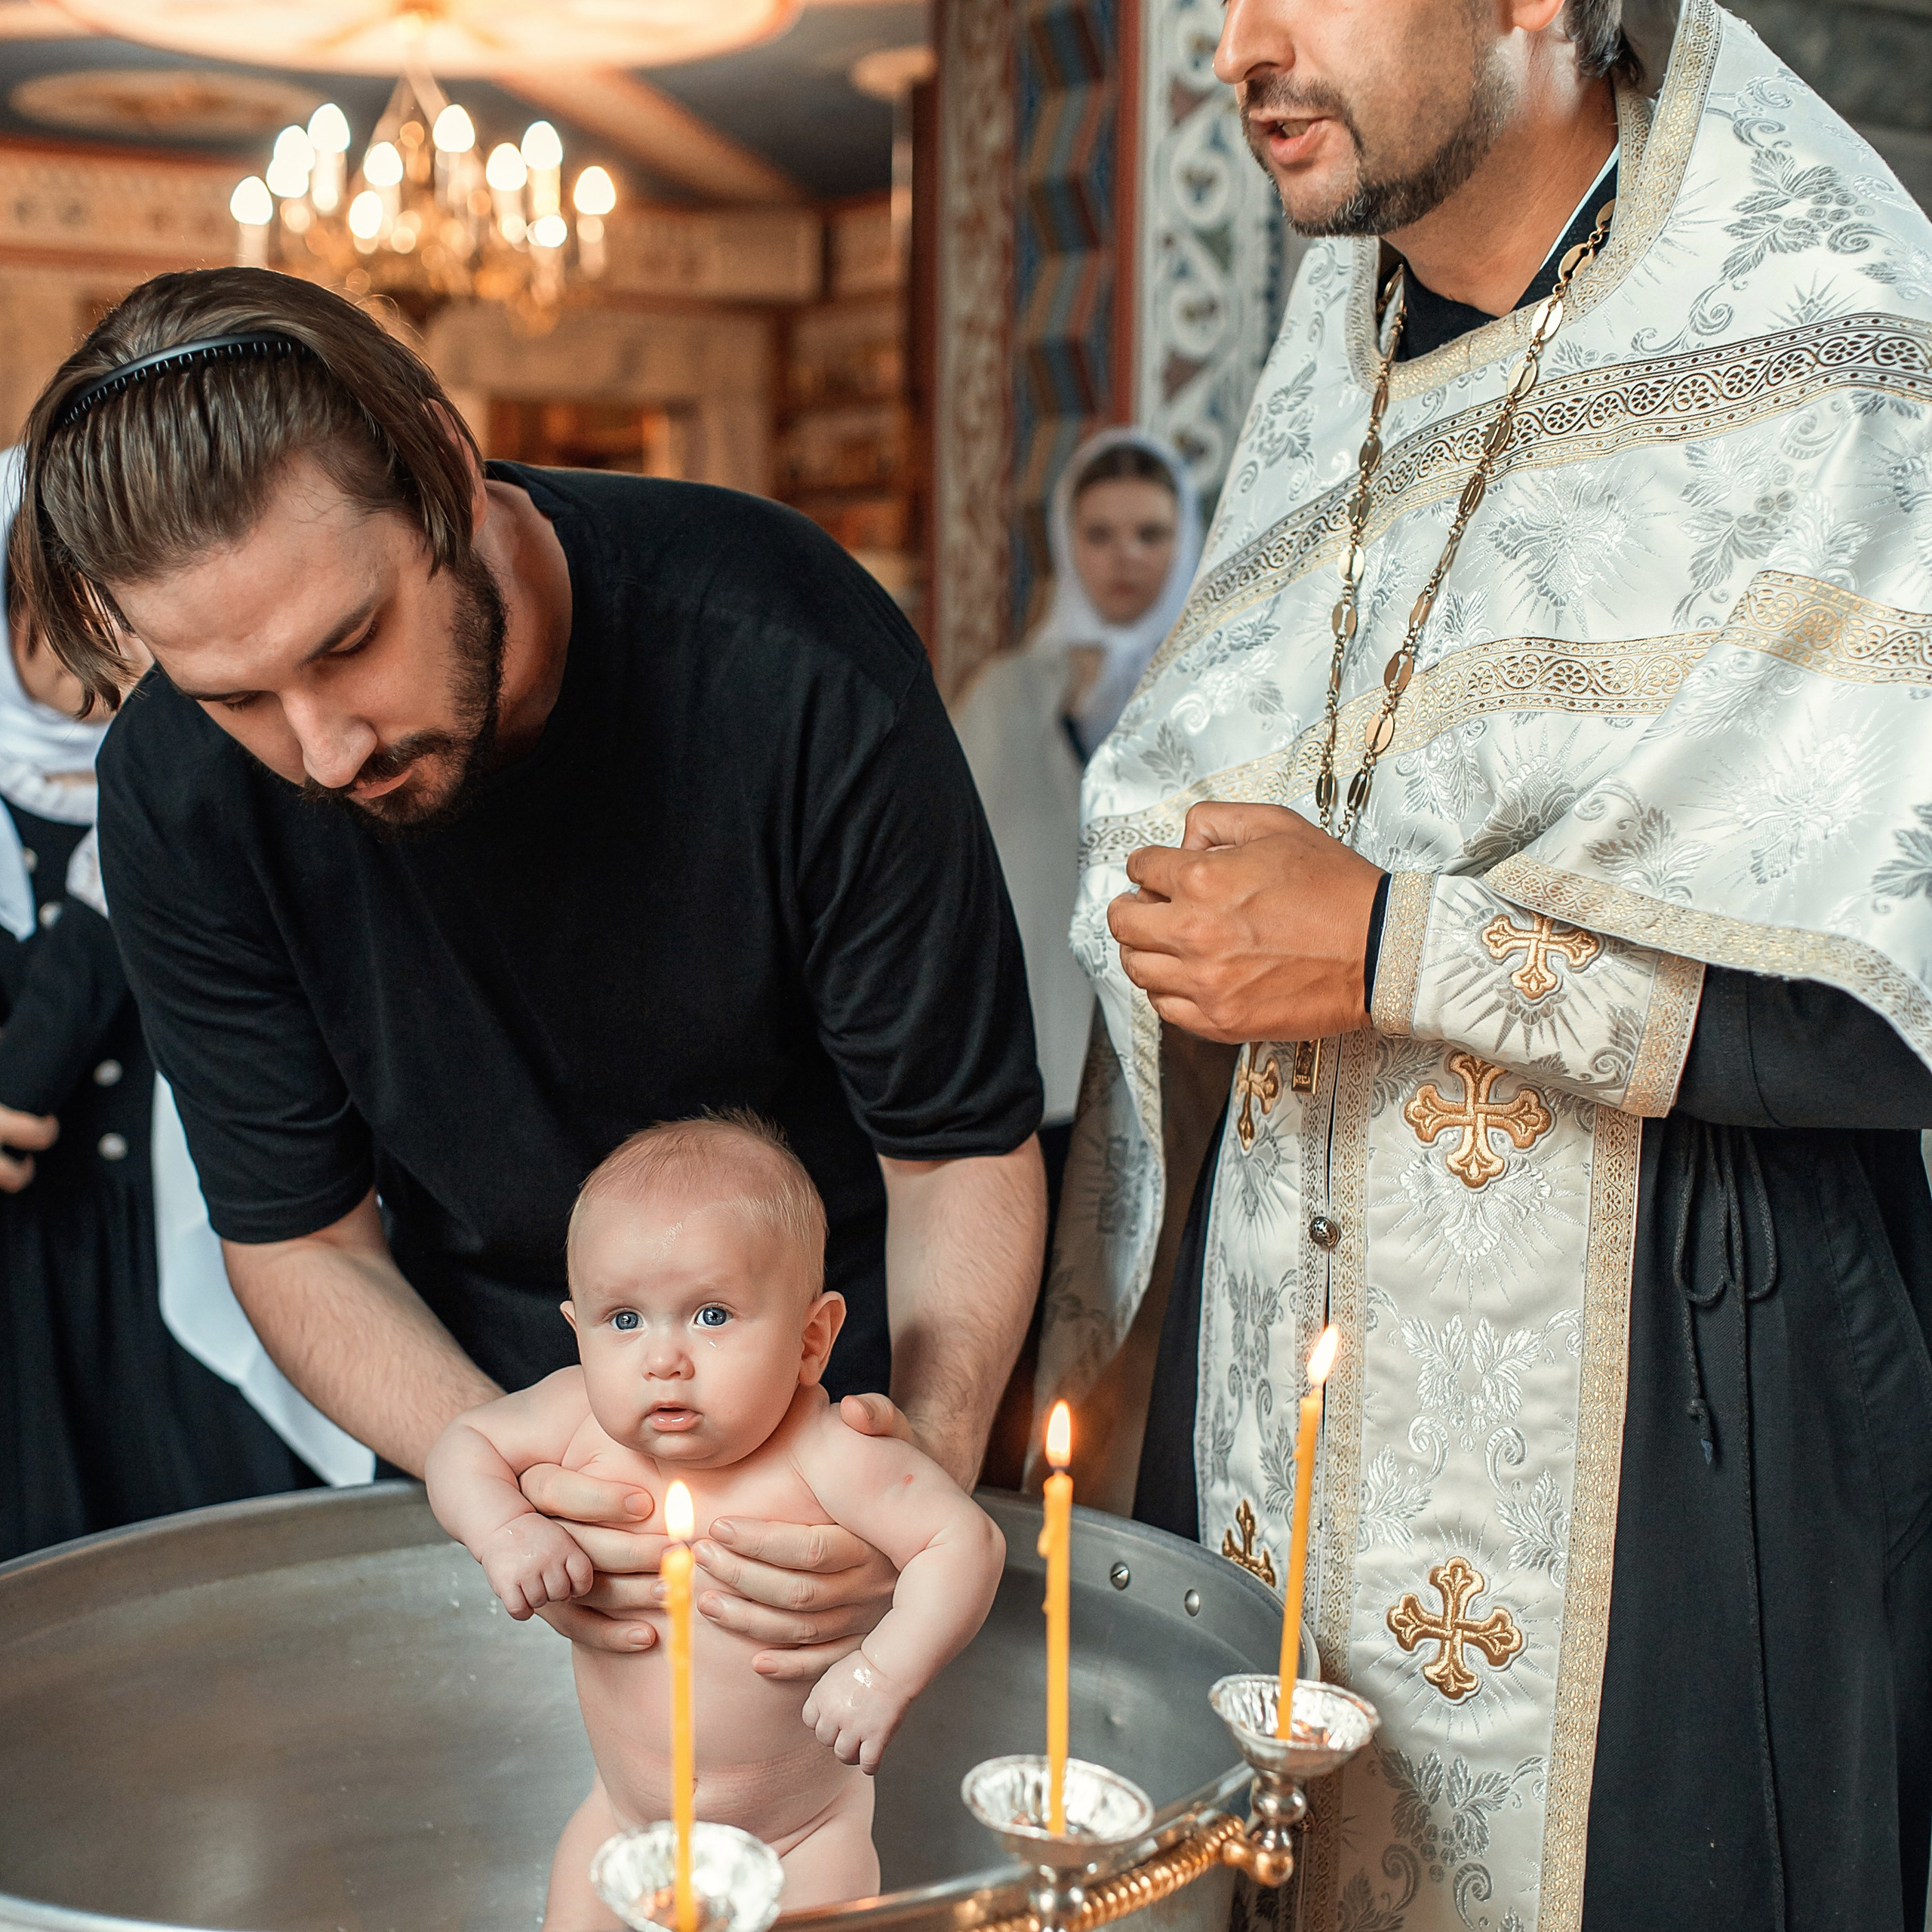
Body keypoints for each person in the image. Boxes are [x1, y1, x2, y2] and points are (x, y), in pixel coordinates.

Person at [1040, 1, 1932, 1928]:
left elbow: (1889, 986)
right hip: (1289, 1404)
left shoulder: (1838, 333)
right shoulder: (1341, 349)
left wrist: (1389, 944)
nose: (1236, 47)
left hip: (1684, 1432)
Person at [13, 269, 1044, 1669]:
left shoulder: (789, 656)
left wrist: (916, 1469)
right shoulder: (177, 793)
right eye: (238, 697)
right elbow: (301, 1242)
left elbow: (954, 1153)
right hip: (484, 1424)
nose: (322, 752)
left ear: (444, 465)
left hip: (823, 1421)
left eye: (349, 643)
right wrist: (498, 1476)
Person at [427, 1115, 1004, 1926]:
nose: (662, 1358)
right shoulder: (572, 1420)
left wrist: (884, 1671)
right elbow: (461, 1445)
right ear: (578, 1334)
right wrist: (507, 1531)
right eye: (623, 1320)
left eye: (710, 1315)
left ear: (812, 1340)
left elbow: (965, 1543)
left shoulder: (832, 1453)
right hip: (622, 1826)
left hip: (801, 1845)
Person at [0, 454, 325, 1558]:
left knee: (218, 1576)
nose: (87, 645)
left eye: (110, 604)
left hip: (195, 1245)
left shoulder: (224, 777)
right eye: (48, 609)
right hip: (28, 1287)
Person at [954, 431, 1201, 1146]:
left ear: (1184, 542)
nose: (1125, 555)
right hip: (1036, 1062)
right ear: (1067, 544)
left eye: (1150, 533)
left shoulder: (1216, 692)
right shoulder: (1003, 696)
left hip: (1177, 1051)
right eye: (1100, 534)